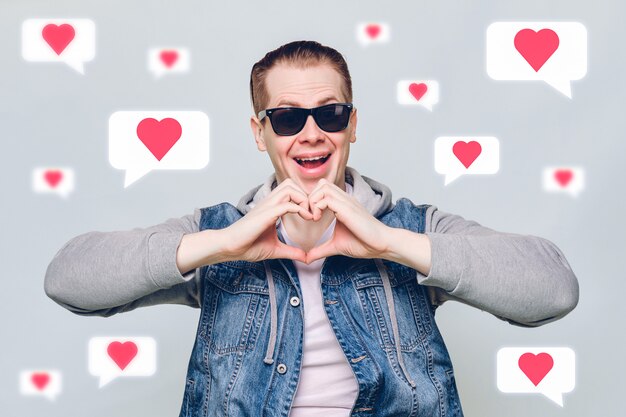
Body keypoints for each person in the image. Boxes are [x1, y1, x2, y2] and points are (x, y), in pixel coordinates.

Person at [44, 40, 579, 417]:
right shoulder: (216, 235)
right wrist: (225, 243)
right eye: (285, 118)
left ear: (352, 125)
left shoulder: (411, 228)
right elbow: (68, 279)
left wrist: (389, 243)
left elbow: (553, 290)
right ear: (260, 133)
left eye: (330, 114)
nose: (310, 134)